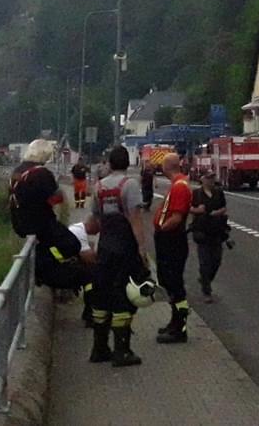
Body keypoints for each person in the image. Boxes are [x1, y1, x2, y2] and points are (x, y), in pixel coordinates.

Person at [88, 145, 151, 367]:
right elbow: (135, 220)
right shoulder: (130, 185)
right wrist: (142, 249)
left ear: (110, 163)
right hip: (125, 249)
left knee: (102, 295)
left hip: (105, 247)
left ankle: (99, 348)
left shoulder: (98, 187)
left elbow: (94, 222)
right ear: (127, 162)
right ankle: (121, 351)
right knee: (123, 296)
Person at [9, 139, 81, 289]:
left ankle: (42, 267)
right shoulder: (41, 173)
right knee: (72, 245)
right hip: (41, 223)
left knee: (50, 247)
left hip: (20, 223)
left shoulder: (16, 172)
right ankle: (46, 271)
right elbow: (56, 199)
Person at [153, 152, 192, 344]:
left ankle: (179, 328)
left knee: (174, 284)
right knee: (169, 281)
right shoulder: (177, 184)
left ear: (167, 166)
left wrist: (162, 229)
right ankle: (174, 322)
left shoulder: (179, 186)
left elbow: (176, 217)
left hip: (172, 240)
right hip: (170, 239)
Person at [189, 171, 230, 302]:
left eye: (212, 178)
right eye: (208, 178)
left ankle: (205, 279)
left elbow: (224, 207)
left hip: (217, 232)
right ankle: (207, 291)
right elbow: (189, 208)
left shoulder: (219, 193)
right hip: (202, 232)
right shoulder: (196, 194)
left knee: (216, 261)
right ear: (202, 179)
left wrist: (217, 212)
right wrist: (197, 210)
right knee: (205, 262)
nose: (211, 181)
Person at [68, 214, 100, 327]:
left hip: (68, 263)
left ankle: (89, 312)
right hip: (63, 268)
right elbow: (89, 258)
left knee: (91, 274)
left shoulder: (79, 229)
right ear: (94, 223)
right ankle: (90, 314)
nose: (99, 231)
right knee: (93, 278)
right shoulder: (79, 232)